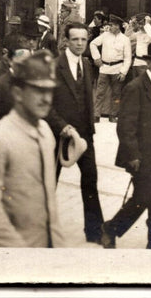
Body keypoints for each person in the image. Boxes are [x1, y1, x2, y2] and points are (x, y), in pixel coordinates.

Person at [0, 54, 65, 247]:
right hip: (5, 256)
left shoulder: (46, 134)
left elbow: (49, 204)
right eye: (38, 91)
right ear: (18, 93)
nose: (46, 99)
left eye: (50, 91)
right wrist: (21, 253)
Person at [101, 41, 151, 250]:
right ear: (149, 62)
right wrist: (133, 155)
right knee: (144, 198)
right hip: (143, 157)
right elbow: (125, 126)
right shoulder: (135, 88)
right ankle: (111, 229)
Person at [46, 23, 104, 244]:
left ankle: (95, 232)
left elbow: (87, 100)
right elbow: (46, 105)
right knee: (50, 182)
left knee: (91, 180)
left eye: (83, 39)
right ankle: (43, 230)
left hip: (84, 135)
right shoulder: (53, 66)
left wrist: (89, 130)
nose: (80, 43)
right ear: (66, 41)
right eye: (75, 39)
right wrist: (62, 127)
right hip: (59, 135)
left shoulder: (87, 65)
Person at [90, 14, 132, 123]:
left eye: (112, 25)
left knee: (116, 94)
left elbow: (128, 58)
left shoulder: (125, 39)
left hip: (117, 69)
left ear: (118, 26)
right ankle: (96, 114)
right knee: (100, 93)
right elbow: (93, 44)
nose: (110, 27)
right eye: (110, 25)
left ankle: (113, 115)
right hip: (104, 68)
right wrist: (96, 58)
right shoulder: (105, 36)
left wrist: (123, 72)